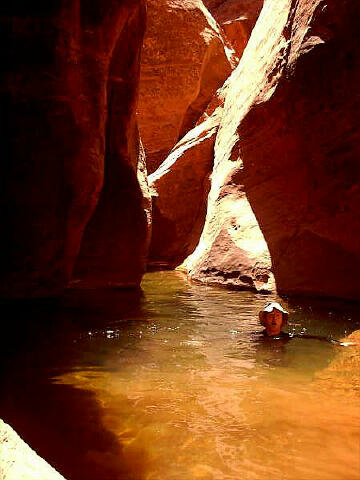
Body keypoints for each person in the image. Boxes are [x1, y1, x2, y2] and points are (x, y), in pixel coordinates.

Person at [258, 302, 358, 346]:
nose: (274, 319)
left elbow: (320, 339)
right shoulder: (258, 337)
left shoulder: (287, 337)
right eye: (271, 316)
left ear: (282, 319)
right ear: (265, 319)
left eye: (278, 316)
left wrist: (338, 343)